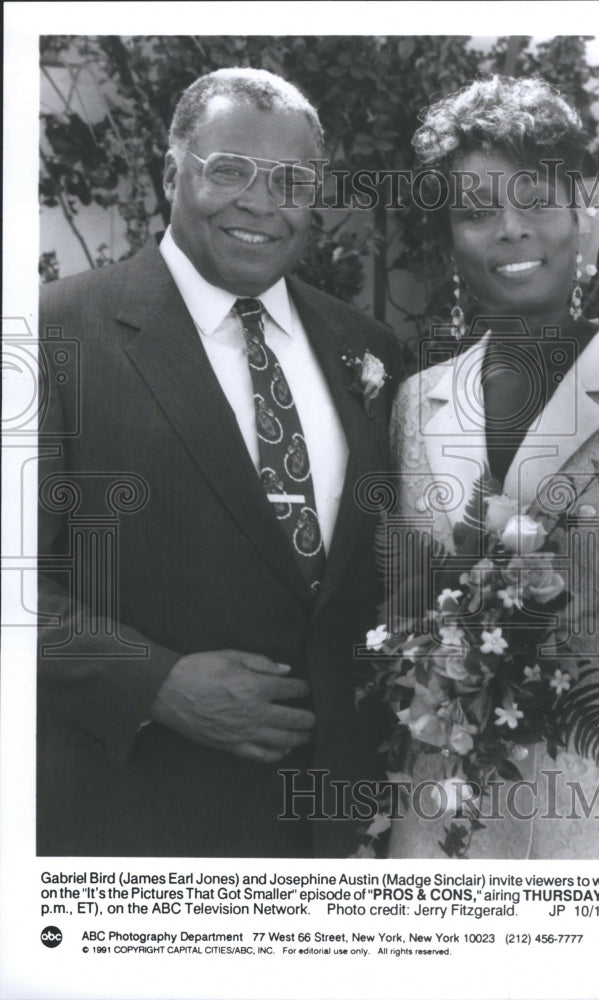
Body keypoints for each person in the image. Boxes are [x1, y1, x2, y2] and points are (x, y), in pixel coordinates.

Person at [37, 68, 401, 858]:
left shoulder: (368, 350)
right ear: (173, 172)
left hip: (341, 832)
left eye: (292, 180)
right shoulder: (52, 336)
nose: (262, 203)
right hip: (140, 823)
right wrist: (152, 685)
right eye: (229, 169)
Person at [387, 76, 599, 858]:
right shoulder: (415, 403)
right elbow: (407, 587)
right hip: (441, 795)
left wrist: (540, 671)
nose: (509, 231)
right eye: (477, 211)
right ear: (451, 237)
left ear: (583, 213)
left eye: (536, 201)